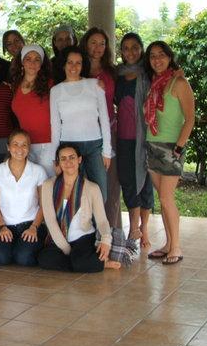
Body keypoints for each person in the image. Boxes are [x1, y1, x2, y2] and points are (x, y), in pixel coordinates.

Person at [144, 41, 195, 266]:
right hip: (152, 144)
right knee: (162, 199)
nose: (157, 60)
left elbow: (190, 119)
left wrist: (179, 148)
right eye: (152, 56)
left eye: (161, 55)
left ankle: (176, 247)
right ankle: (168, 244)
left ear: (169, 57)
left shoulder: (179, 82)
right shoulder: (154, 83)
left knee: (166, 198)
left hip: (171, 147)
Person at [38, 143, 120, 272]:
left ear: (79, 159)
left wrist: (106, 240)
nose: (68, 162)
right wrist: (67, 250)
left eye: (72, 157)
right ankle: (93, 263)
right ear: (58, 162)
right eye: (63, 158)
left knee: (78, 261)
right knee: (44, 259)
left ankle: (85, 262)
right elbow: (50, 221)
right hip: (58, 238)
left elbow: (102, 221)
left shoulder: (92, 188)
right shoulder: (49, 185)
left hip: (83, 238)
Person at [50, 46, 111, 201]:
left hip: (95, 146)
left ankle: (99, 219)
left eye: (78, 63)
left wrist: (107, 151)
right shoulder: (56, 91)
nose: (74, 66)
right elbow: (55, 125)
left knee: (101, 194)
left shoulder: (95, 85)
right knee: (75, 195)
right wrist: (55, 157)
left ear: (83, 65)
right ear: (63, 64)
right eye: (70, 62)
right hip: (68, 147)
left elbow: (104, 119)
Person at [81, 27, 121, 228]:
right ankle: (86, 231)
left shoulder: (112, 72)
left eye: (102, 43)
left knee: (110, 183)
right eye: (93, 43)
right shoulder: (77, 69)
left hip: (108, 133)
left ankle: (111, 231)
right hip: (84, 134)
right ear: (85, 45)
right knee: (85, 183)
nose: (98, 47)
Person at [116, 33, 154, 247]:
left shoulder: (149, 74)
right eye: (126, 48)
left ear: (141, 49)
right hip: (123, 137)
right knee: (128, 181)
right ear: (121, 51)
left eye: (135, 47)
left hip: (145, 137)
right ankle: (133, 228)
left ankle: (144, 228)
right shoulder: (118, 74)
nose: (130, 52)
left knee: (146, 182)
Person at [0, 130, 47, 266]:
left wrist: (34, 227)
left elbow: (44, 205)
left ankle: (23, 249)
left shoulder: (38, 171)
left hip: (30, 224)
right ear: (8, 147)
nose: (20, 149)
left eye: (24, 145)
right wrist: (2, 227)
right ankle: (15, 248)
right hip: (6, 225)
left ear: (29, 148)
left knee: (23, 258)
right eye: (15, 144)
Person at [11, 44, 55, 177]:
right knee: (31, 183)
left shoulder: (50, 85)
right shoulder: (14, 85)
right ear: (22, 62)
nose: (32, 63)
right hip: (25, 144)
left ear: (41, 64)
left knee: (47, 182)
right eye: (28, 59)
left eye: (37, 59)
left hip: (48, 143)